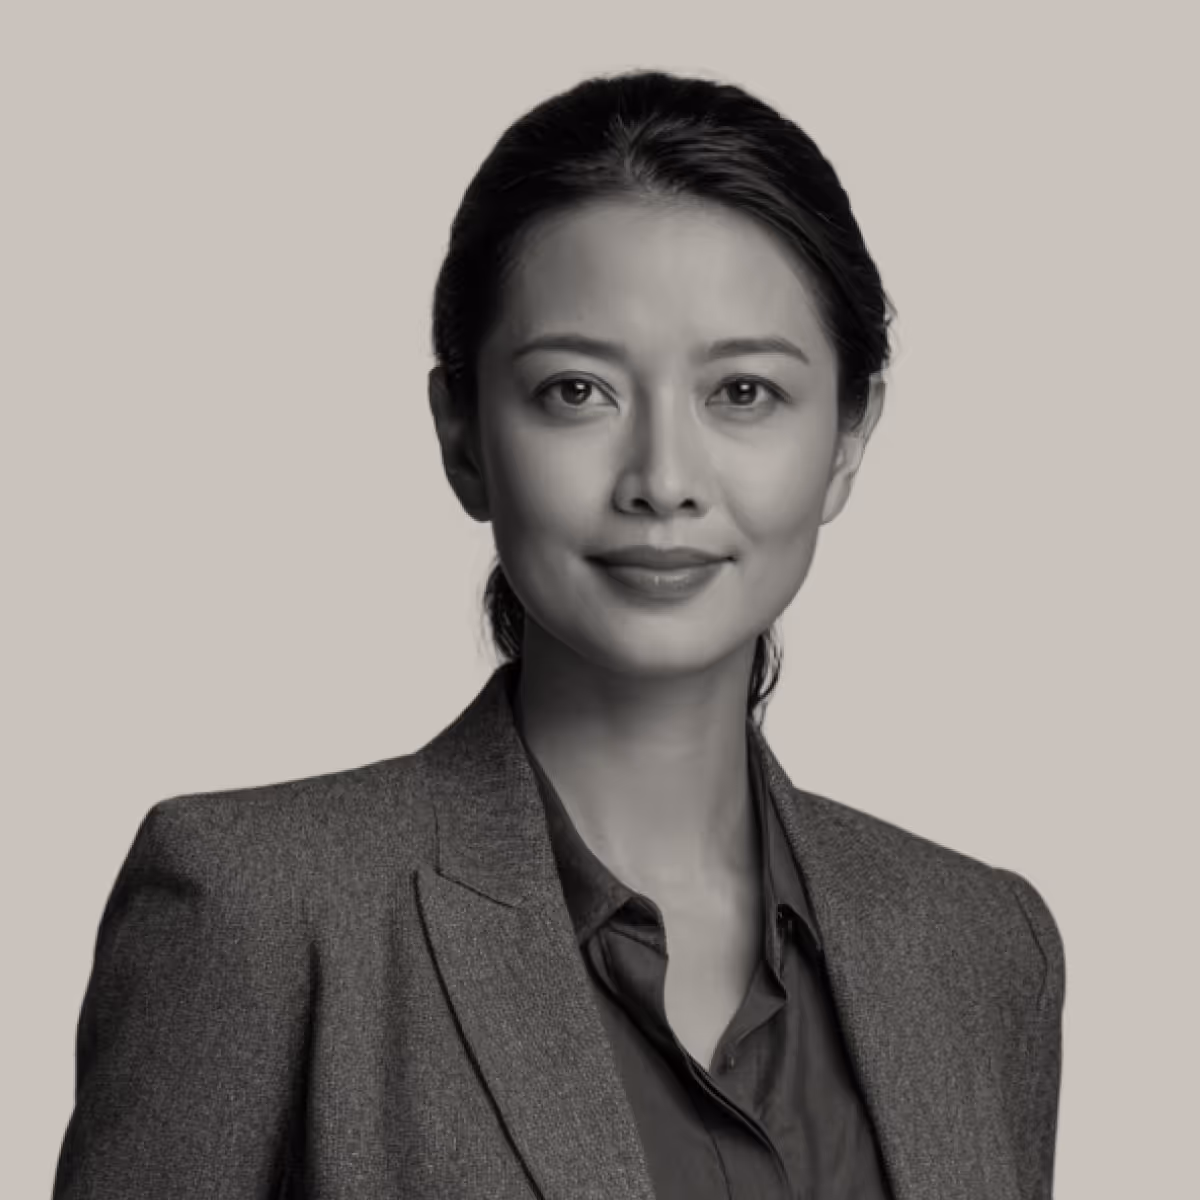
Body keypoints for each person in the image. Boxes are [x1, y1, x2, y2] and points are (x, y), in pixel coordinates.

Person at [52, 69, 1065, 1200]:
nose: (664, 481)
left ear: (846, 438)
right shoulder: (260, 908)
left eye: (743, 393)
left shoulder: (980, 948)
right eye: (578, 391)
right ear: (463, 434)